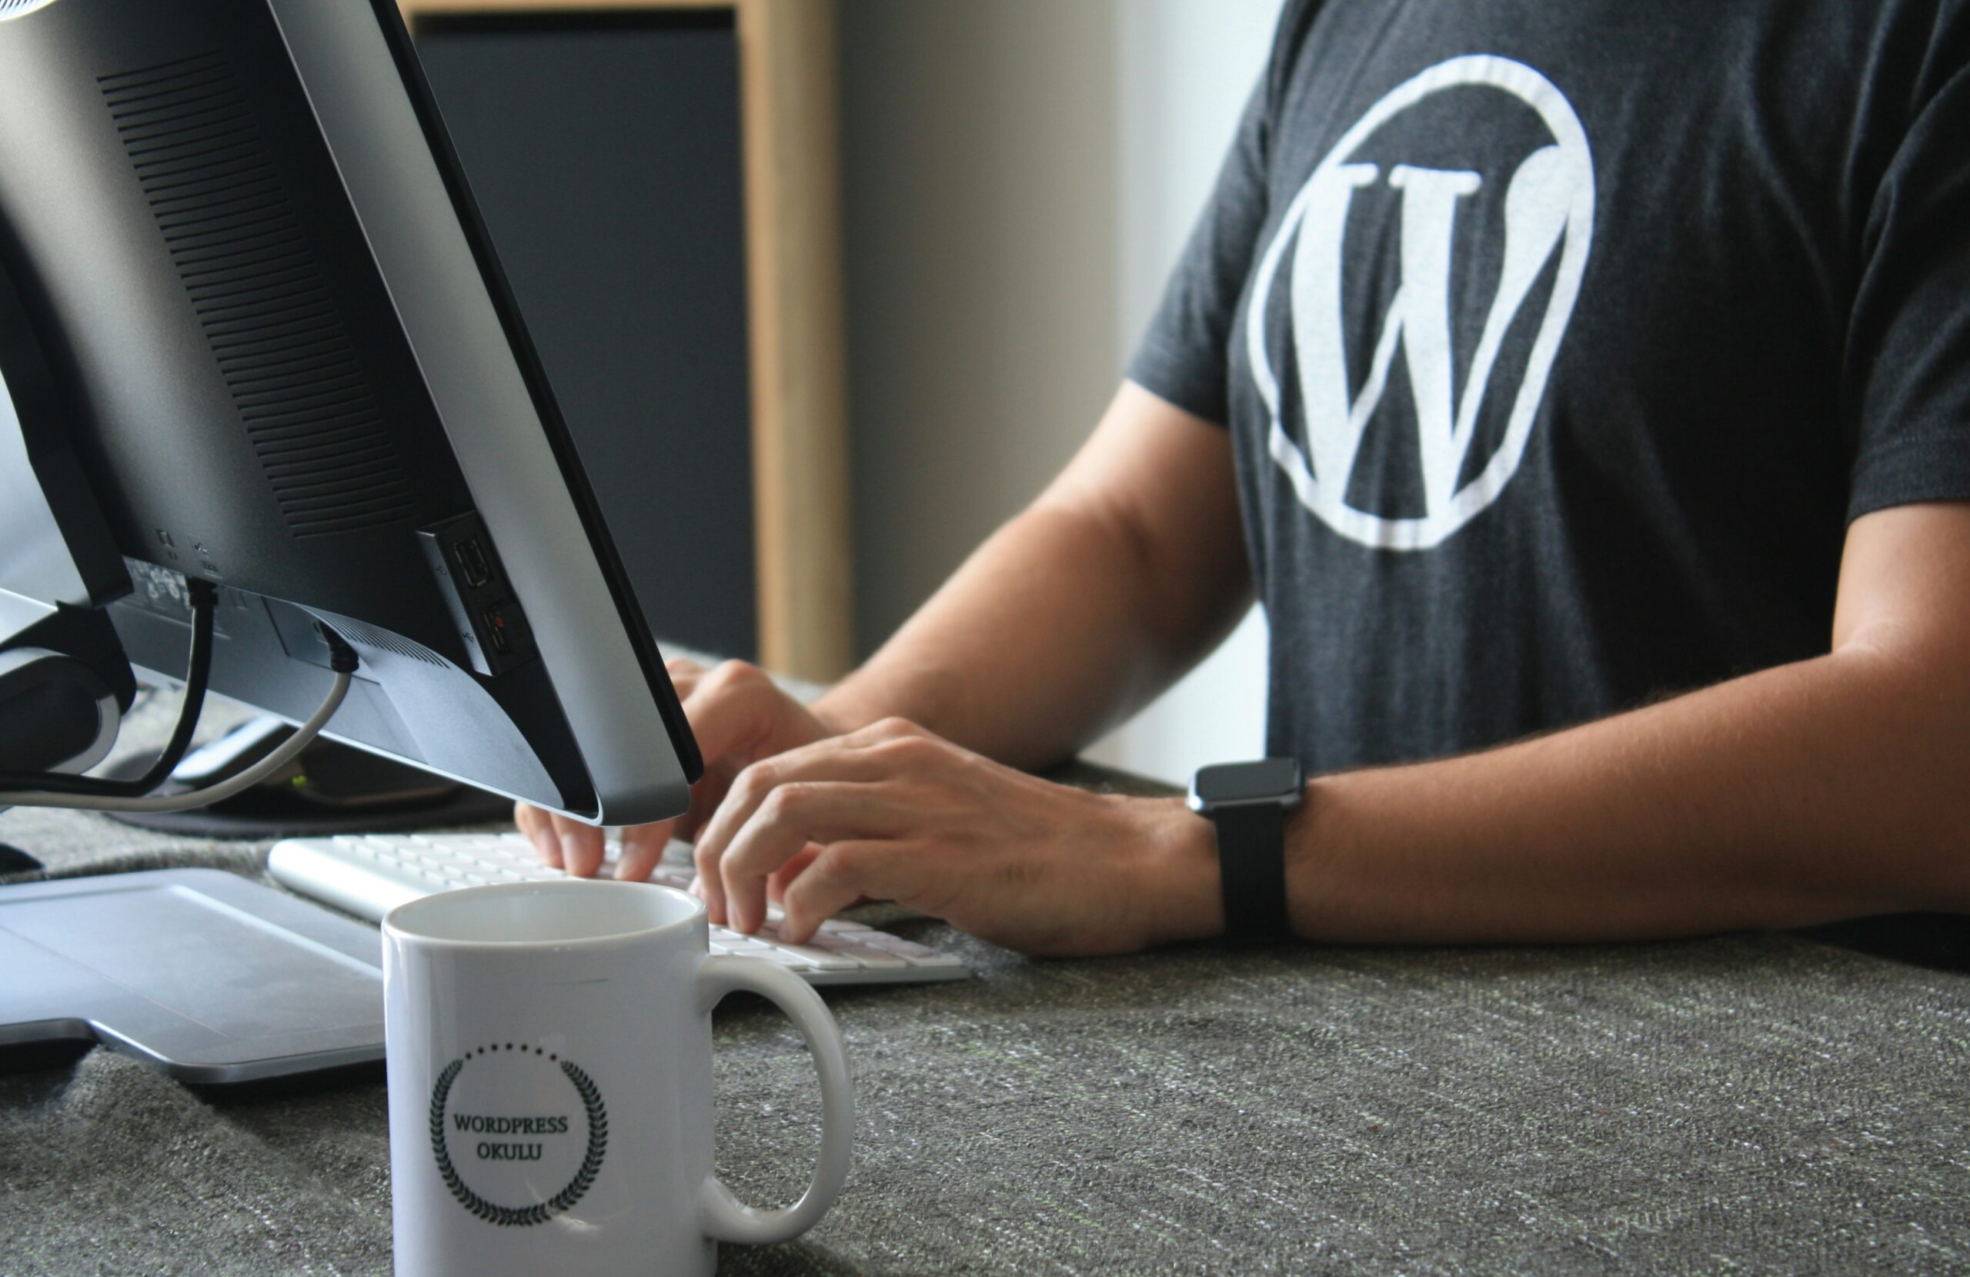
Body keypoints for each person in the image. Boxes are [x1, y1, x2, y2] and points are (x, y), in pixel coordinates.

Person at [520, 0, 1970, 956]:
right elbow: (1140, 526)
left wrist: (1187, 853)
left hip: (1762, 1106)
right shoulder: (1349, 14)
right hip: (1358, 1043)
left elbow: (1932, 745)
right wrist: (838, 756)